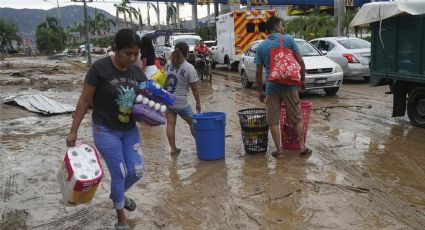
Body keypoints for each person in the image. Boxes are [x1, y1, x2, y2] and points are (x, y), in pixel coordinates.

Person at [66, 28, 147, 230]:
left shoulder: (137, 71)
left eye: (136, 54)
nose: (132, 58)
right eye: (128, 53)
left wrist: (152, 116)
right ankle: (121, 220)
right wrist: (73, 130)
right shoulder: (99, 69)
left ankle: (117, 194)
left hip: (129, 130)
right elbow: (84, 100)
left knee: (137, 171)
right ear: (114, 49)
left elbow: (144, 102)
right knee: (119, 174)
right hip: (105, 130)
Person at [254, 16, 312, 158]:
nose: (283, 28)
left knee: (273, 120)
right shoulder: (288, 39)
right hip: (290, 86)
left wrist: (260, 91)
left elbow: (258, 71)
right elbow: (301, 62)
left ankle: (279, 151)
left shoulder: (261, 46)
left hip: (272, 87)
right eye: (282, 26)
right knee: (297, 118)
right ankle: (302, 147)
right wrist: (302, 80)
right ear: (276, 28)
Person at [164, 42, 201, 155]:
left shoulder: (168, 64)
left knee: (170, 124)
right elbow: (194, 88)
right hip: (181, 103)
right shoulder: (189, 67)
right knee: (194, 123)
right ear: (186, 52)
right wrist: (198, 102)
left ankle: (173, 148)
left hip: (167, 100)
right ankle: (202, 145)